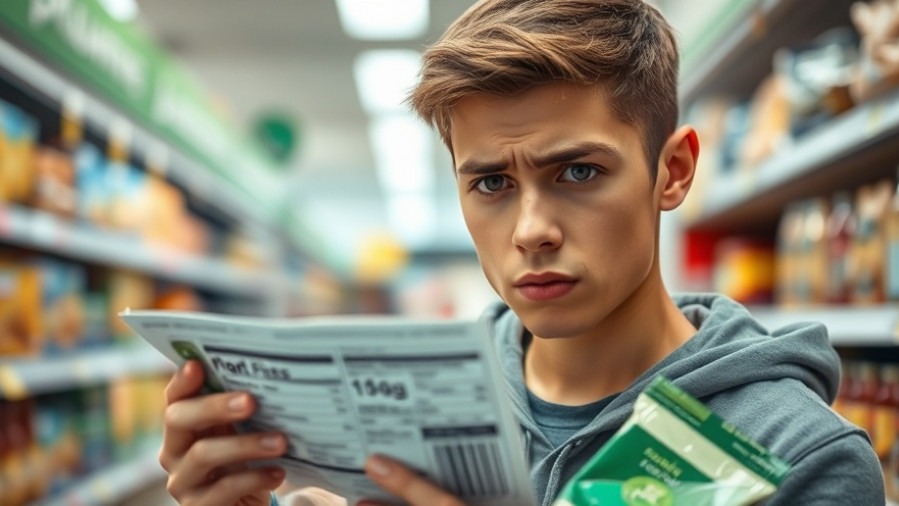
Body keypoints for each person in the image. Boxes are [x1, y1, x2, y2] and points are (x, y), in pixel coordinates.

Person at [157, 0, 886, 505]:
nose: (531, 228)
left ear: (672, 172)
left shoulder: (798, 455)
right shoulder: (414, 410)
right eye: (491, 183)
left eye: (577, 172)